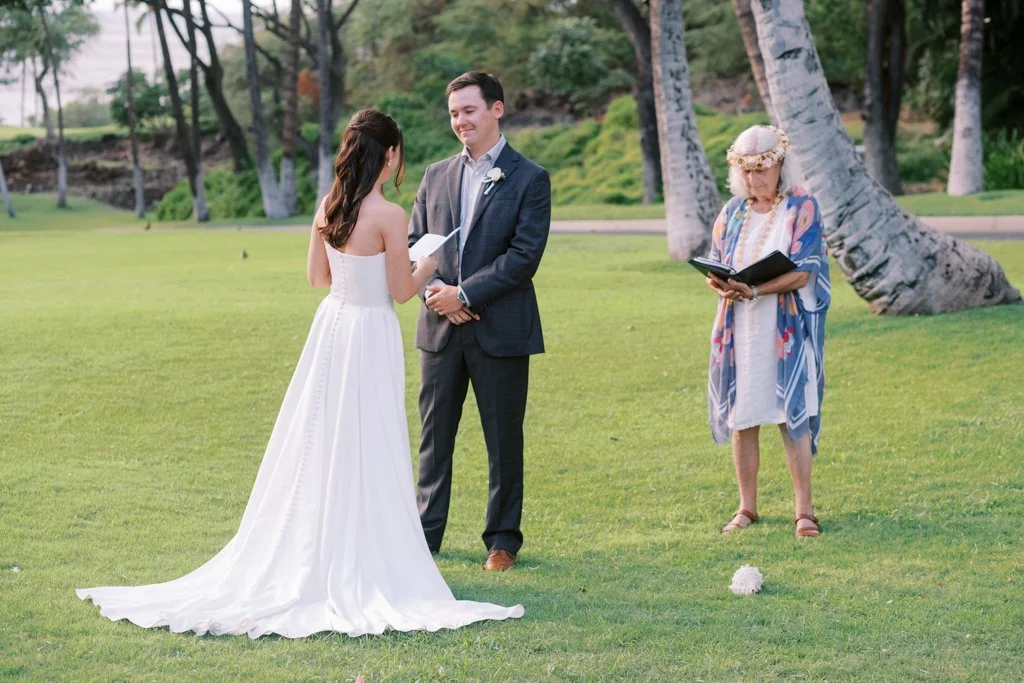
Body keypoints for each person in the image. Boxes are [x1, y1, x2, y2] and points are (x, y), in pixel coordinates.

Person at [76, 109, 524, 638]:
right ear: (388, 155)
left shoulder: (328, 205)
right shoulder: (388, 214)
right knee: (366, 436)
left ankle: (326, 537)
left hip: (332, 327)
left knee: (322, 435)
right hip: (369, 332)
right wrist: (427, 264)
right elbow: (402, 291)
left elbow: (317, 276)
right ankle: (365, 543)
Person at [408, 72, 551, 571]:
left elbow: (523, 256)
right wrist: (434, 294)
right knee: (434, 437)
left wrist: (465, 293)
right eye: (453, 113)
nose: (460, 121)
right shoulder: (435, 175)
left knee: (503, 439)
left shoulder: (530, 177)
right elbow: (414, 245)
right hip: (440, 330)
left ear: (496, 109)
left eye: (469, 110)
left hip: (501, 329)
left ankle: (503, 541)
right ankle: (424, 538)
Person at [704, 125, 831, 538]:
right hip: (740, 327)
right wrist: (720, 281)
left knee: (791, 418)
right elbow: (718, 260)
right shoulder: (733, 212)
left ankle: (804, 511)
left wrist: (755, 287)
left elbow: (802, 271)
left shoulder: (802, 207)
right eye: (747, 171)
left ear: (781, 166)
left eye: (763, 169)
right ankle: (747, 507)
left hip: (785, 328)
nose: (755, 179)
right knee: (744, 417)